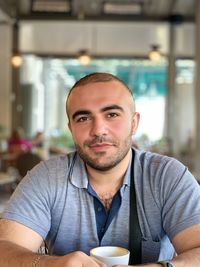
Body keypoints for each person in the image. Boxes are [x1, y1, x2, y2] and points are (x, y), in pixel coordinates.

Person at [0, 72, 200, 267]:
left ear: (134, 123)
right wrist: (49, 264)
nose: (98, 130)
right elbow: (5, 249)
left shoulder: (167, 176)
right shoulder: (46, 177)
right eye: (83, 118)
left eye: (112, 114)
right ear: (71, 128)